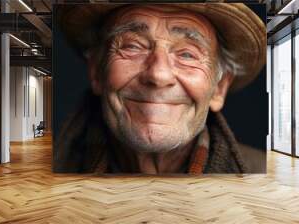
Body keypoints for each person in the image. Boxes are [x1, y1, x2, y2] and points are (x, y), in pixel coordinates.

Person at [54, 3, 266, 174]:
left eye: (187, 54)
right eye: (132, 46)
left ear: (219, 88)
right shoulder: (48, 173)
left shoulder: (263, 178)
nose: (158, 75)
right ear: (96, 72)